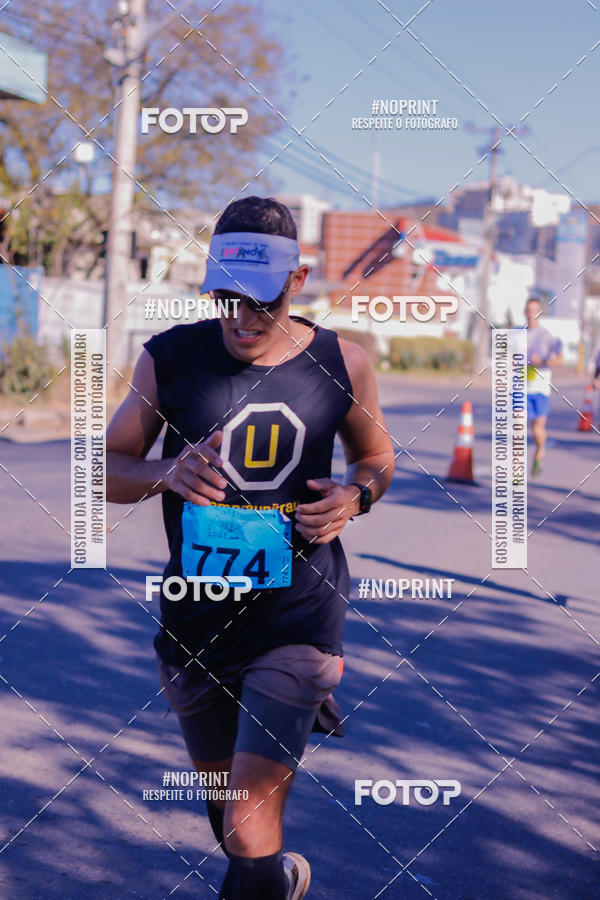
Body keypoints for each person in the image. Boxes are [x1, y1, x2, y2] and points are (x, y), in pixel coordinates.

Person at [106, 196, 394, 899]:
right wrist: (165, 471)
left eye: (258, 300)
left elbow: (378, 458)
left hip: (298, 615)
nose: (240, 317)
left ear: (296, 283)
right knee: (232, 828)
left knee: (243, 822)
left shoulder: (341, 363)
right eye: (226, 297)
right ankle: (278, 878)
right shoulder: (169, 359)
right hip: (197, 616)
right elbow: (104, 468)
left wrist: (356, 496)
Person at [524, 297, 563, 476]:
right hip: (521, 388)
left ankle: (540, 451)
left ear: (540, 313)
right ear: (525, 312)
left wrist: (544, 361)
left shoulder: (547, 336)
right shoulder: (518, 334)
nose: (532, 314)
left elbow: (560, 360)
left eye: (535, 310)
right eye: (529, 310)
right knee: (517, 424)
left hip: (540, 389)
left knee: (537, 428)